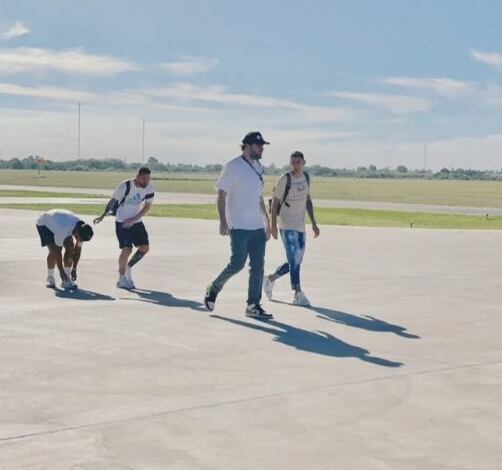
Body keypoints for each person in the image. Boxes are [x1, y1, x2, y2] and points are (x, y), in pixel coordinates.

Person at [204, 131, 273, 319]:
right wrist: (222, 221)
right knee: (237, 263)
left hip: (256, 226)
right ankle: (214, 288)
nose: (262, 149)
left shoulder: (259, 167)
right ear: (248, 146)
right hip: (238, 225)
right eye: (259, 146)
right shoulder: (232, 166)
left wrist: (267, 221)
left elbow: (258, 197)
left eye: (263, 146)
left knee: (258, 267)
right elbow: (221, 195)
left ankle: (253, 305)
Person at [263, 151, 320, 306]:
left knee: (296, 260)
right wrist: (273, 225)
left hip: (300, 225)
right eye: (293, 162)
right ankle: (297, 293)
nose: (295, 165)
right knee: (294, 259)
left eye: (298, 162)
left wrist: (314, 223)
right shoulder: (284, 179)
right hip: (286, 224)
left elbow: (308, 200)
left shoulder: (306, 178)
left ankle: (270, 279)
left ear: (303, 163)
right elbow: (275, 203)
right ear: (290, 163)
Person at [93, 167, 154, 289]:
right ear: (137, 176)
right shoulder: (125, 186)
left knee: (145, 248)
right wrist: (102, 216)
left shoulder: (149, 188)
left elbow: (146, 207)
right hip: (122, 222)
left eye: (148, 179)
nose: (146, 182)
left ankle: (128, 267)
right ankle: (121, 278)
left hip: (136, 221)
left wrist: (133, 220)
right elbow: (112, 202)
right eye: (143, 179)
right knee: (127, 249)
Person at [36, 209, 94, 289]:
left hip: (59, 221)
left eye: (80, 240)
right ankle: (50, 278)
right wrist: (61, 271)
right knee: (52, 251)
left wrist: (74, 269)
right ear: (77, 232)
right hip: (44, 224)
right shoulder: (63, 230)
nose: (78, 240)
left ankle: (66, 279)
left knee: (70, 247)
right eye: (78, 238)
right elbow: (57, 251)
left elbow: (77, 250)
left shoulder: (82, 229)